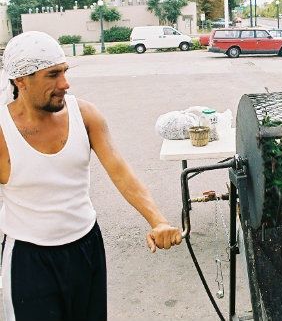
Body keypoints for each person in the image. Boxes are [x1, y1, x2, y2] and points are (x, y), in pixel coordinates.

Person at [0, 31, 182, 321]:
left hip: (86, 247)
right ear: (20, 81)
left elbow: (120, 171)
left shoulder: (85, 115)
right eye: (52, 75)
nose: (64, 84)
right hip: (29, 261)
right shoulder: (2, 131)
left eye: (65, 72)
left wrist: (158, 220)